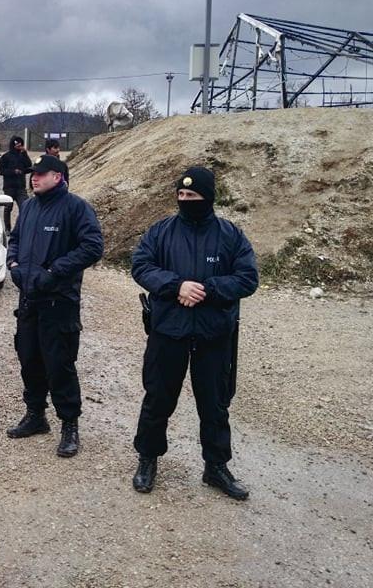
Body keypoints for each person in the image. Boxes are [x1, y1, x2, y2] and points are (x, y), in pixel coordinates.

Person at [130, 166, 259, 501]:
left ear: (208, 198)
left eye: (193, 195)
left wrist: (209, 289)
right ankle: (148, 458)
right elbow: (141, 266)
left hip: (213, 335)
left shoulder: (231, 235)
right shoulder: (161, 232)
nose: (185, 200)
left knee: (215, 404)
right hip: (168, 330)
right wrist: (176, 286)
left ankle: (216, 466)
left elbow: (248, 278)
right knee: (158, 398)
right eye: (182, 195)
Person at [6, 154, 104, 457]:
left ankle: (69, 425)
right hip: (29, 299)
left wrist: (55, 271)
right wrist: (13, 263)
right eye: (33, 174)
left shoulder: (76, 208)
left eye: (41, 174)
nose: (34, 178)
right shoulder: (31, 207)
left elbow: (92, 247)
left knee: (59, 364)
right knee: (29, 358)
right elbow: (16, 239)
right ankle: (36, 416)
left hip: (58, 302)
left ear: (58, 177)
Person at [0, 135, 32, 233]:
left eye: (21, 145)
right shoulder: (6, 156)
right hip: (9, 187)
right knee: (8, 208)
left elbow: (29, 165)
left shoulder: (22, 155)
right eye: (17, 145)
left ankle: (22, 227)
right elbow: (0, 170)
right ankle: (7, 228)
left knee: (24, 206)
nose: (19, 147)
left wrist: (25, 154)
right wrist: (12, 171)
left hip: (21, 187)